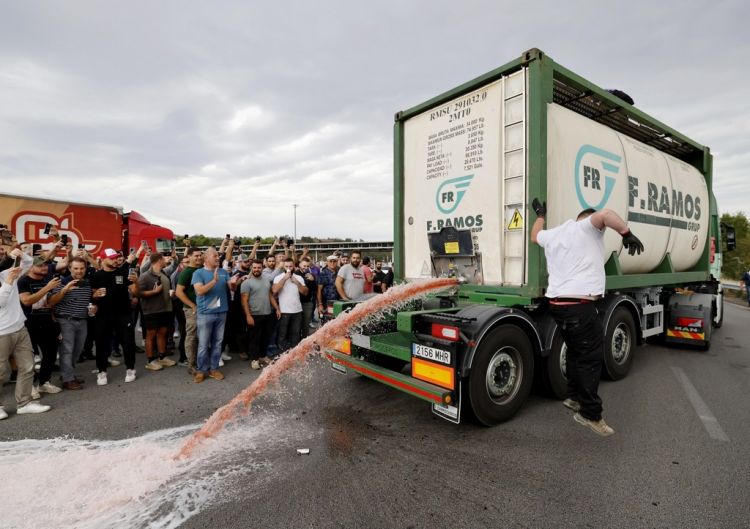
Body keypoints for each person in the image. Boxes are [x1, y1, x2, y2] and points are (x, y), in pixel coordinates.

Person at [530, 198, 644, 437]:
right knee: (591, 357)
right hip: (579, 306)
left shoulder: (554, 234)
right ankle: (590, 414)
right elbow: (606, 214)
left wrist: (540, 215)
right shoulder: (587, 226)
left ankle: (573, 396)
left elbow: (535, 236)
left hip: (557, 306)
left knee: (574, 350)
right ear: (589, 220)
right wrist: (626, 233)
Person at [0, 248, 51, 418]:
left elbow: (29, 264)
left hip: (20, 328)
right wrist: (8, 282)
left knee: (28, 367)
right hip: (1, 333)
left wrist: (21, 255)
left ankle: (24, 403)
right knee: (1, 373)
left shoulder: (6, 271)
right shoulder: (8, 276)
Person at [48, 257, 101, 390]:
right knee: (67, 351)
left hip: (82, 321)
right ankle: (67, 379)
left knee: (77, 351)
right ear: (70, 268)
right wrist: (65, 289)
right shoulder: (62, 282)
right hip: (65, 321)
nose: (79, 271)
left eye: (82, 268)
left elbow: (90, 302)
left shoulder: (87, 283)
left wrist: (94, 307)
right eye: (76, 268)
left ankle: (67, 373)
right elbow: (51, 302)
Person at [90, 248, 140, 386]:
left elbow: (135, 292)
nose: (115, 260)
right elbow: (92, 295)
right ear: (102, 259)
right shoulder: (96, 276)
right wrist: (95, 295)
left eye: (116, 257)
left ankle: (130, 369)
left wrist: (136, 282)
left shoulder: (124, 272)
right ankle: (102, 371)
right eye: (111, 258)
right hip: (103, 315)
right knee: (101, 344)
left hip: (123, 314)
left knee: (127, 342)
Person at [17, 256, 62, 394]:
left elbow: (50, 302)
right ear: (30, 267)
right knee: (28, 358)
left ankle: (44, 382)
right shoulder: (23, 281)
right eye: (40, 265)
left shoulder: (47, 280)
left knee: (50, 354)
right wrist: (47, 288)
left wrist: (64, 290)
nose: (44, 267)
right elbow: (27, 301)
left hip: (47, 321)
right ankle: (29, 387)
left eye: (46, 265)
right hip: (28, 323)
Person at [191, 247, 231, 383]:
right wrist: (214, 281)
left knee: (218, 343)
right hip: (205, 314)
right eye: (215, 256)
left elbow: (231, 287)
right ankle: (201, 370)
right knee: (203, 344)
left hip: (221, 312)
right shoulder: (198, 273)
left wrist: (234, 284)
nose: (218, 257)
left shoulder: (224, 272)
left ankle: (214, 369)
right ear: (206, 258)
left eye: (218, 256)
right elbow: (200, 291)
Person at [137, 253, 178, 372]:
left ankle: (162, 356)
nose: (167, 260)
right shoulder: (145, 276)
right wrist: (154, 292)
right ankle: (150, 360)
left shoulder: (164, 272)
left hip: (166, 309)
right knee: (151, 335)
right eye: (165, 258)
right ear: (159, 260)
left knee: (163, 333)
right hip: (151, 310)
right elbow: (138, 293)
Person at [241, 259, 280, 370]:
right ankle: (255, 359)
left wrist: (277, 308)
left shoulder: (266, 281)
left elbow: (270, 296)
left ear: (262, 268)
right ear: (251, 268)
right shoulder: (246, 283)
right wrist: (248, 316)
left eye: (259, 267)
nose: (256, 269)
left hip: (267, 313)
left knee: (266, 337)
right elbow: (244, 301)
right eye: (254, 268)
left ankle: (262, 356)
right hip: (254, 315)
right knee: (255, 339)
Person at [175, 247, 203, 374]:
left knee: (201, 337)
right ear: (190, 256)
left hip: (204, 309)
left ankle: (199, 362)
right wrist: (192, 306)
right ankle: (191, 365)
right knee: (191, 337)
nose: (198, 257)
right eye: (195, 256)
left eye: (200, 255)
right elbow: (179, 292)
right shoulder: (186, 272)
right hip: (191, 310)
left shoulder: (202, 269)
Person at [272, 257, 308, 353]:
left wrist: (296, 282)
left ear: (294, 266)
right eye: (286, 266)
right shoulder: (278, 277)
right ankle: (282, 352)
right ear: (283, 266)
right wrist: (284, 278)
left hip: (297, 310)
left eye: (290, 266)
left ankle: (294, 351)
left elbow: (305, 292)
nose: (288, 268)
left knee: (296, 332)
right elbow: (274, 291)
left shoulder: (299, 278)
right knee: (282, 333)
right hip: (284, 310)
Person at [297, 257, 317, 339]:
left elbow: (314, 289)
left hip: (307, 302)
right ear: (299, 265)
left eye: (307, 266)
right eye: (304, 266)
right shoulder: (295, 274)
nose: (306, 268)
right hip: (297, 303)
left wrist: (312, 280)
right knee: (296, 325)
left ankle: (304, 340)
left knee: (306, 324)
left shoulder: (310, 274)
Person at [317, 255, 340, 322]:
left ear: (337, 262)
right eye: (330, 261)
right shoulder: (323, 273)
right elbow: (319, 290)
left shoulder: (340, 272)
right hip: (326, 303)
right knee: (327, 322)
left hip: (338, 302)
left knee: (338, 322)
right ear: (327, 262)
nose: (332, 263)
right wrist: (320, 304)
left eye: (334, 261)